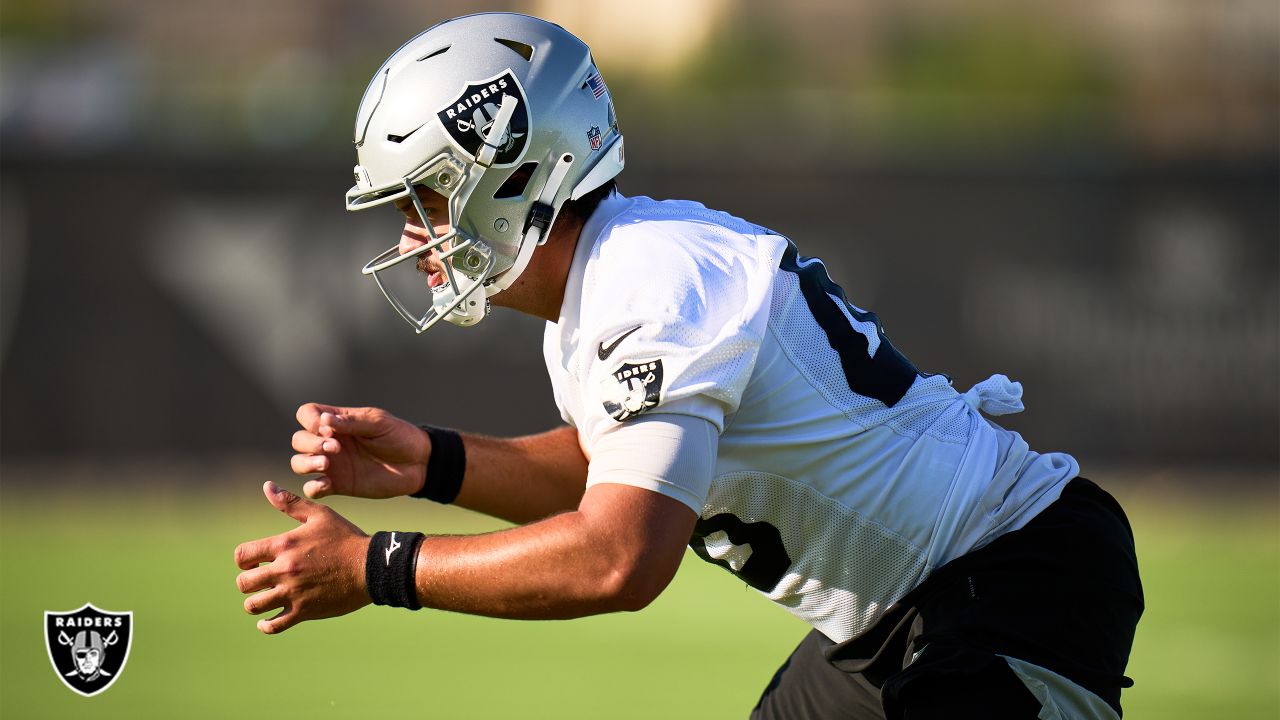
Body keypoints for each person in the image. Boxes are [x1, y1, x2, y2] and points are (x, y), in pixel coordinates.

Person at [233, 13, 1142, 719]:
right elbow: (619, 474)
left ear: (511, 172)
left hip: (1010, 584)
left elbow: (619, 558)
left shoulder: (652, 284)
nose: (414, 234)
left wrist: (375, 570)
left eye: (426, 196)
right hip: (898, 615)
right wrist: (435, 463)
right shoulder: (608, 284)